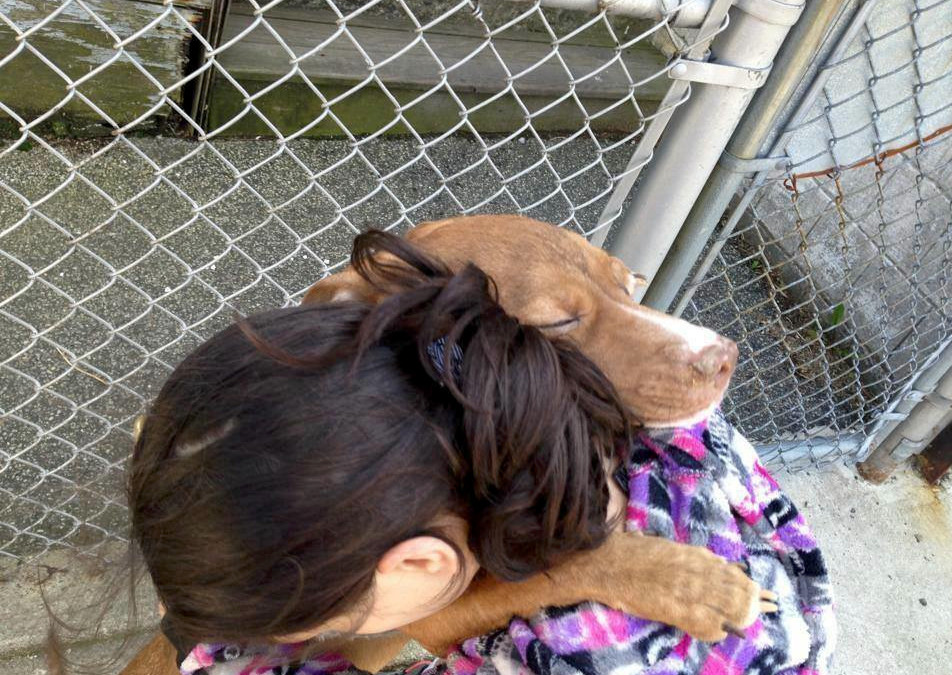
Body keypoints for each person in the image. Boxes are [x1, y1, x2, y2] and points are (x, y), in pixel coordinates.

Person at [128, 234, 836, 675]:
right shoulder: (690, 449)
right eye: (560, 318)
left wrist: (606, 566)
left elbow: (423, 615)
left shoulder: (579, 648)